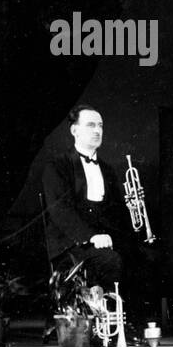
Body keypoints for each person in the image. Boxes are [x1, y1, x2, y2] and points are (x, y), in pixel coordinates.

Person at [41, 105, 127, 290]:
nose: (97, 130)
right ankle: (105, 315)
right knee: (110, 260)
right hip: (70, 244)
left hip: (103, 241)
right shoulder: (57, 166)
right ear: (74, 130)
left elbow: (117, 211)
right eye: (90, 125)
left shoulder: (108, 170)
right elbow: (60, 211)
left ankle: (133, 319)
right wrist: (91, 237)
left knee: (143, 257)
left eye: (100, 126)